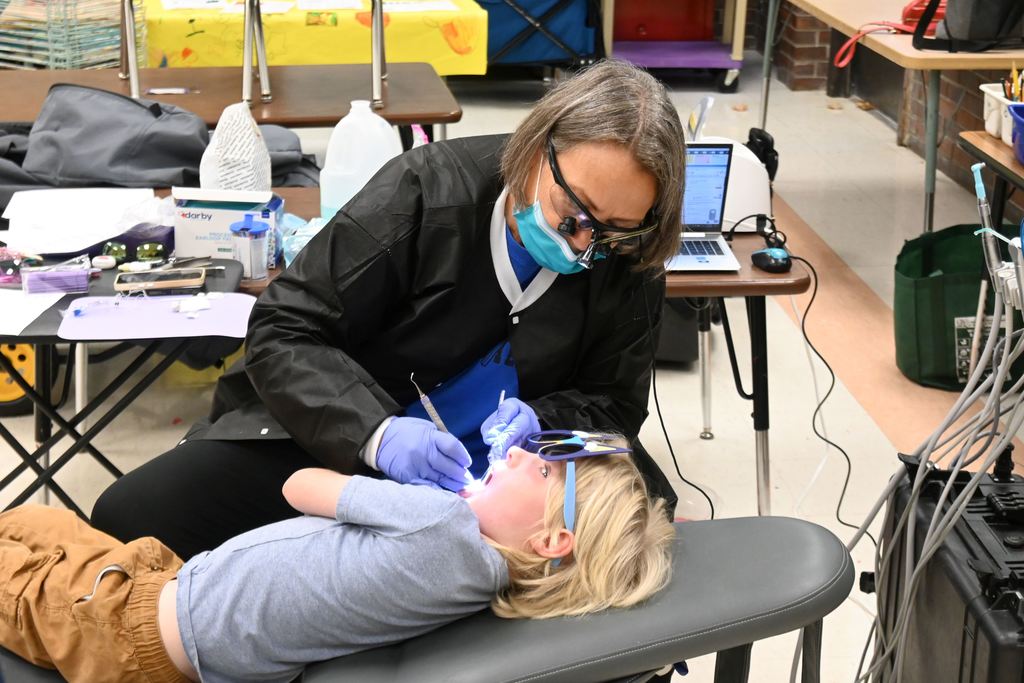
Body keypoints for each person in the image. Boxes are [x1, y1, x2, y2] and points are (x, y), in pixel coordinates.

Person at [91, 58, 687, 558]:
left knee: (639, 549)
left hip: (511, 478)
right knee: (134, 513)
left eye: (613, 232)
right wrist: (376, 434)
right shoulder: (427, 192)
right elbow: (285, 329)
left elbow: (614, 404)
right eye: (575, 214)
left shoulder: (630, 259)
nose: (585, 247)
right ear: (536, 149)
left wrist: (545, 426)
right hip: (339, 439)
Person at [0, 435, 675, 683]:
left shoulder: (441, 521)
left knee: (20, 548)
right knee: (41, 523)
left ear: (551, 540)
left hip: (126, 625)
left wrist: (406, 480)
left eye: (541, 467)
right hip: (166, 589)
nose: (518, 451)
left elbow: (300, 488)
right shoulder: (482, 580)